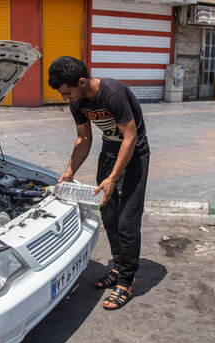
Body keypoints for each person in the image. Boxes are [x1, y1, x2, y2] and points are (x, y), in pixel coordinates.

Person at [48, 56, 150, 310]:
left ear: (82, 82)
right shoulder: (78, 101)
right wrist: (69, 172)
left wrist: (113, 178)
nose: (66, 98)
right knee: (110, 215)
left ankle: (125, 282)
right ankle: (118, 267)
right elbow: (84, 138)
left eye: (67, 92)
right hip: (108, 153)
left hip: (134, 156)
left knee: (127, 221)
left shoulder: (113, 93)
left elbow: (130, 138)